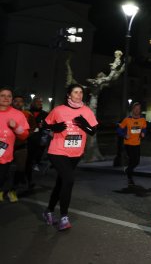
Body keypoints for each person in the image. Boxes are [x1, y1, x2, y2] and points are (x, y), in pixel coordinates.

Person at [42, 84, 98, 230]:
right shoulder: (58, 110)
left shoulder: (86, 111)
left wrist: (85, 124)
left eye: (81, 92)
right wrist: (55, 128)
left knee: (61, 183)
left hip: (75, 153)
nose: (79, 95)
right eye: (75, 92)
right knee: (69, 180)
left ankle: (48, 211)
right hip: (57, 151)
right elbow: (44, 125)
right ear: (69, 94)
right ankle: (64, 218)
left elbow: (92, 131)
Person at [0, 88, 29, 203]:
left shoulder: (18, 115)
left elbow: (24, 135)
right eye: (2, 95)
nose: (6, 98)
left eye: (9, 96)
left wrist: (16, 126)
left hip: (4, 156)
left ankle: (9, 190)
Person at [117, 102, 147, 186]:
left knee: (136, 162)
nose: (137, 110)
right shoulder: (127, 119)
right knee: (132, 161)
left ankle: (127, 170)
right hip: (128, 143)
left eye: (139, 109)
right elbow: (119, 130)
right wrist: (124, 135)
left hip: (137, 143)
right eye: (136, 109)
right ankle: (130, 178)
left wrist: (143, 133)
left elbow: (144, 129)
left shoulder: (143, 120)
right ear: (133, 109)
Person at [11, 95, 37, 191]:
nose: (18, 103)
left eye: (20, 101)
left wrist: (25, 135)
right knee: (3, 167)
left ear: (23, 103)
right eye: (16, 101)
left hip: (21, 145)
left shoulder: (27, 114)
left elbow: (33, 127)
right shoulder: (5, 113)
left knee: (21, 168)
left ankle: (13, 189)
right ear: (12, 102)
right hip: (5, 146)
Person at [27, 97, 49, 179]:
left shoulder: (45, 114)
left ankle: (35, 164)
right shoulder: (27, 112)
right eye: (37, 102)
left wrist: (44, 126)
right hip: (28, 138)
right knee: (28, 157)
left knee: (38, 154)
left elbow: (48, 126)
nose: (39, 104)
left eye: (40, 103)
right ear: (32, 103)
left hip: (40, 138)